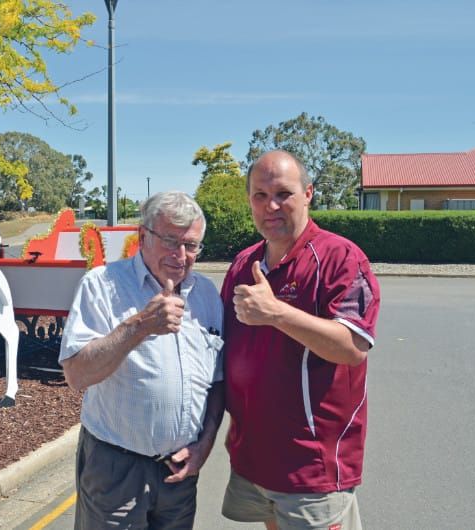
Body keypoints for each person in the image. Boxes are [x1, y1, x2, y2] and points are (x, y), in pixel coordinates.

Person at [220, 150, 381, 530]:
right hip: (254, 459)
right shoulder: (244, 264)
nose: (270, 206)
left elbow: (352, 346)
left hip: (312, 468)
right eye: (260, 195)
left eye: (283, 193)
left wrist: (276, 313)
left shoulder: (341, 258)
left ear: (308, 193)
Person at [59, 190, 225, 529]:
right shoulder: (103, 285)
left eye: (191, 245)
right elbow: (76, 374)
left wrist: (205, 445)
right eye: (170, 241)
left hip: (178, 472)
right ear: (142, 237)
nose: (181, 255)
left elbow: (217, 383)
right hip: (116, 471)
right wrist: (140, 326)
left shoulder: (206, 295)